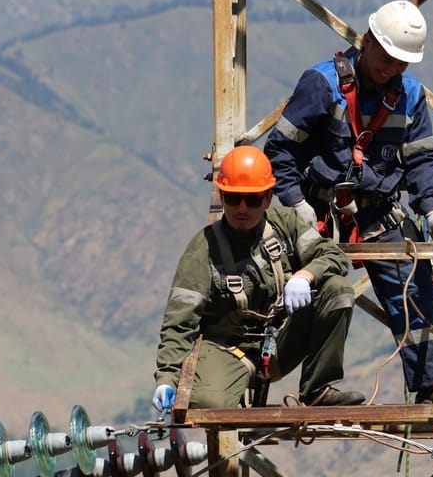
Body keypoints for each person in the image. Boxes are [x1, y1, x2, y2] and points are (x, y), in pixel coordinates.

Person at [263, 0, 433, 404]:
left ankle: (428, 389)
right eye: (386, 57)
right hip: (319, 210)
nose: (392, 69)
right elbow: (280, 149)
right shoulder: (322, 84)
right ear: (367, 41)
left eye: (402, 63)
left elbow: (421, 157)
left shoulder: (410, 95)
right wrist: (295, 203)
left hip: (378, 211)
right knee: (324, 291)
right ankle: (310, 387)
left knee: (415, 294)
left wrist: (432, 206)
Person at [152, 145, 365, 410]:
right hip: (227, 348)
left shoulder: (286, 224)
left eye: (252, 199)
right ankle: (236, 397)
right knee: (208, 405)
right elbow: (179, 322)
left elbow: (333, 256)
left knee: (338, 290)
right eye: (233, 198)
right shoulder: (203, 249)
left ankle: (317, 390)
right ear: (222, 195)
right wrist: (167, 378)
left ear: (268, 198)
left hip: (281, 342)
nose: (242, 208)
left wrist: (305, 275)